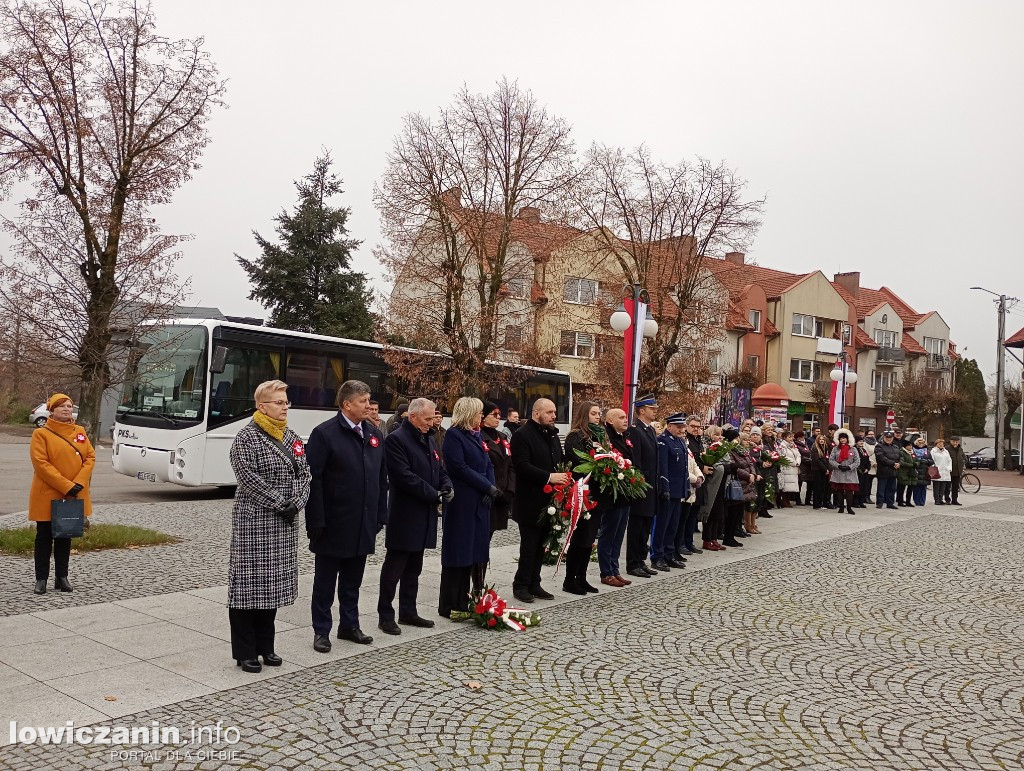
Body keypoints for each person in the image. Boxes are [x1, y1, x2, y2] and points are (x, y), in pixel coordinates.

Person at [227, 381, 311, 672]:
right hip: (256, 522)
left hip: (285, 522)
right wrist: (280, 502)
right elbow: (247, 478)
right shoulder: (246, 437)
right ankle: (244, 651)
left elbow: (305, 473)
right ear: (262, 406)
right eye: (278, 402)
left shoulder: (292, 437)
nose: (284, 407)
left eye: (286, 402)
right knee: (248, 587)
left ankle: (266, 647)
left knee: (271, 586)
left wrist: (297, 502)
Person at [306, 380, 388, 652]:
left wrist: (380, 514)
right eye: (363, 401)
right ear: (346, 404)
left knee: (353, 581)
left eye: (369, 400)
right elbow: (313, 480)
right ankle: (321, 630)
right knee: (325, 583)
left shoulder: (373, 434)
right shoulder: (325, 433)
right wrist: (316, 521)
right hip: (333, 523)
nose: (369, 405)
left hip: (362, 521)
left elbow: (381, 479)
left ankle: (349, 625)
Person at [378, 398, 451, 635]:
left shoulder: (429, 438)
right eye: (428, 419)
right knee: (395, 567)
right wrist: (434, 495)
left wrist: (447, 486)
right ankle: (385, 614)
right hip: (405, 513)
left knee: (414, 567)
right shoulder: (396, 440)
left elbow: (440, 469)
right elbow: (403, 476)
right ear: (413, 417)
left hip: (424, 513)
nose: (432, 423)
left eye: (433, 418)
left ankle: (408, 611)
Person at [28, 393, 96, 595]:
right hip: (48, 492)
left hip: (73, 492)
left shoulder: (80, 431)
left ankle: (62, 577)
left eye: (69, 406)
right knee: (44, 537)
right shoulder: (41, 434)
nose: (67, 409)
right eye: (62, 406)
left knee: (65, 536)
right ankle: (41, 579)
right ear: (52, 410)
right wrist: (66, 485)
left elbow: (90, 457)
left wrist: (79, 482)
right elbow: (41, 464)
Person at [439, 397, 498, 617]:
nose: (482, 416)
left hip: (479, 502)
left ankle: (464, 600)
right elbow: (459, 467)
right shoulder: (454, 435)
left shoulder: (476, 435)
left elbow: (488, 463)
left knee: (473, 551)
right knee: (458, 551)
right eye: (479, 412)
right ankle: (449, 603)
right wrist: (486, 486)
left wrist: (490, 487)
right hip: (462, 502)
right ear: (467, 413)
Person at [510, 398, 567, 604]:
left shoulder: (551, 435)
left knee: (542, 545)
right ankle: (521, 585)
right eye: (550, 412)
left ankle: (535, 582)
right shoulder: (522, 435)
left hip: (549, 500)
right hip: (529, 501)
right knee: (529, 545)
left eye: (554, 412)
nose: (554, 416)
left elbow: (557, 460)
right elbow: (522, 465)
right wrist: (549, 477)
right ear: (536, 413)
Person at [562, 401, 609, 594]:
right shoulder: (576, 436)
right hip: (583, 491)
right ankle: (569, 579)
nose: (598, 416)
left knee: (589, 539)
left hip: (598, 492)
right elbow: (577, 461)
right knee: (580, 537)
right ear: (584, 415)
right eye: (593, 413)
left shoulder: (599, 436)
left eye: (599, 413)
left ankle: (582, 577)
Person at [649, 413, 692, 571]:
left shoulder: (680, 441)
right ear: (669, 426)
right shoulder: (663, 441)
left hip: (678, 489)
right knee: (662, 524)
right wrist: (664, 487)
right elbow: (663, 467)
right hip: (668, 490)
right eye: (679, 427)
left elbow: (684, 467)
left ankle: (669, 553)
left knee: (673, 525)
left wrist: (686, 486)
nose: (682, 430)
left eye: (683, 427)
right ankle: (657, 556)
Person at [597, 408, 634, 586]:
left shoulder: (623, 437)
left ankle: (614, 568)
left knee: (619, 535)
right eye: (621, 417)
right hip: (612, 494)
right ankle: (606, 572)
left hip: (625, 493)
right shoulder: (607, 438)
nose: (625, 420)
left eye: (626, 417)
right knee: (609, 533)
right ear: (610, 420)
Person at [626, 395, 660, 578]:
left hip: (651, 487)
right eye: (651, 408)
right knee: (637, 527)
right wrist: (640, 483)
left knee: (646, 526)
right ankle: (632, 563)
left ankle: (641, 560)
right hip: (641, 486)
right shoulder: (635, 431)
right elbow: (636, 461)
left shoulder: (650, 431)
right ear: (641, 410)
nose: (655, 410)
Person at [481, 401, 515, 557]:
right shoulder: (479, 436)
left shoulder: (502, 437)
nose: (498, 418)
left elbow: (511, 465)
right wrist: (495, 490)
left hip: (504, 493)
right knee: (482, 539)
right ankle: (477, 578)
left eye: (499, 415)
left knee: (490, 534)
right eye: (494, 414)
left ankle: (481, 577)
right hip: (489, 493)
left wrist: (510, 490)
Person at [675, 415, 706, 557]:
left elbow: (695, 462)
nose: (695, 429)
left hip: (696, 483)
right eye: (693, 426)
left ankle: (688, 542)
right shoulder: (683, 441)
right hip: (686, 483)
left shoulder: (696, 441)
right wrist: (697, 475)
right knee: (683, 518)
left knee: (691, 516)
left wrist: (700, 475)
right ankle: (680, 544)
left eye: (698, 427)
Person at [699, 424, 728, 552]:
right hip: (711, 483)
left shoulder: (721, 447)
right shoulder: (706, 446)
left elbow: (727, 461)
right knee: (710, 512)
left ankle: (714, 538)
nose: (719, 437)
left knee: (718, 513)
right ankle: (707, 538)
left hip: (721, 483)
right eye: (716, 434)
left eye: (720, 434)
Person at [828, 429, 860, 514]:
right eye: (841, 438)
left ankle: (849, 507)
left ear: (848, 439)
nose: (843, 440)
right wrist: (838, 466)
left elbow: (857, 461)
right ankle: (841, 507)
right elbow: (831, 460)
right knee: (839, 490)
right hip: (838, 473)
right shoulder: (835, 449)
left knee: (849, 491)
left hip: (850, 473)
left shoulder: (853, 449)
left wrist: (849, 467)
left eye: (844, 438)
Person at [874, 430, 901, 509]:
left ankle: (890, 503)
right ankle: (879, 503)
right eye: (887, 437)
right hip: (883, 470)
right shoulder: (879, 446)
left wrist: (899, 463)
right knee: (881, 488)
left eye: (890, 437)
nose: (889, 439)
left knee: (892, 488)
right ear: (884, 437)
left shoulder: (895, 447)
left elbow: (900, 456)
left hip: (893, 471)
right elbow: (881, 458)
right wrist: (893, 463)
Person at [777, 430, 801, 507]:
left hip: (793, 468)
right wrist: (794, 462)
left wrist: (798, 462)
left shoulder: (793, 445)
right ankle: (784, 500)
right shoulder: (782, 446)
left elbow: (798, 455)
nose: (791, 438)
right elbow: (783, 457)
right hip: (786, 468)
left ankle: (788, 500)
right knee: (785, 485)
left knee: (791, 486)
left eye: (792, 437)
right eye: (789, 437)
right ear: (784, 438)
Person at [809, 433, 832, 510]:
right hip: (817, 470)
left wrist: (828, 469)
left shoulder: (825, 448)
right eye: (820, 439)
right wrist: (825, 469)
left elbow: (827, 459)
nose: (822, 441)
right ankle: (817, 505)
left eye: (823, 439)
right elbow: (817, 460)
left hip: (824, 470)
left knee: (823, 487)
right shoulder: (815, 448)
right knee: (817, 488)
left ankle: (821, 503)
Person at [911, 437, 934, 506]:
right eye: (919, 442)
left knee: (923, 488)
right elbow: (911, 460)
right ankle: (917, 501)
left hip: (925, 472)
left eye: (922, 443)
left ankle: (922, 501)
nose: (921, 444)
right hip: (917, 470)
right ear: (916, 443)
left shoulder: (927, 451)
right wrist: (917, 461)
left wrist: (927, 461)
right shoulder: (913, 451)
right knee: (916, 487)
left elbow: (932, 461)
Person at [896, 438, 918, 507]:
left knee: (910, 488)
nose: (910, 447)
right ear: (905, 446)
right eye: (909, 446)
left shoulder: (913, 452)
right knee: (901, 487)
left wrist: (916, 463)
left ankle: (908, 501)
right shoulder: (902, 452)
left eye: (911, 445)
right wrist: (912, 465)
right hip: (903, 472)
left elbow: (917, 460)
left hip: (911, 473)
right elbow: (902, 463)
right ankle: (900, 501)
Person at [931, 438, 952, 505]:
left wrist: (949, 468)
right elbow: (932, 461)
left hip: (945, 471)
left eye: (942, 444)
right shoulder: (933, 451)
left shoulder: (946, 451)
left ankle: (941, 499)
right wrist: (934, 468)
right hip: (937, 470)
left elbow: (949, 460)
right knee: (937, 487)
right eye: (939, 443)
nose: (941, 445)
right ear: (936, 444)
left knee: (943, 486)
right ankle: (937, 499)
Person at [794, 430, 812, 505]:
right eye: (802, 437)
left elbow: (808, 453)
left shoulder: (805, 444)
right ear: (798, 438)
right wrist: (810, 461)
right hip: (802, 467)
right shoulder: (797, 445)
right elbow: (801, 456)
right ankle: (798, 500)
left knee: (810, 484)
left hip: (808, 467)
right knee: (799, 484)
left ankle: (807, 500)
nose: (803, 438)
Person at [947, 436, 967, 505]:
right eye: (954, 441)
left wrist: (963, 462)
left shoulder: (960, 449)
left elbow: (964, 458)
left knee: (955, 487)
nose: (955, 443)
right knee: (948, 486)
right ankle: (947, 499)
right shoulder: (947, 449)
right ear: (951, 441)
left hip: (958, 471)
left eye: (957, 442)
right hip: (949, 471)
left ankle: (954, 500)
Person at [854, 437, 872, 507]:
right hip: (859, 471)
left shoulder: (864, 450)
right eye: (860, 441)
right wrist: (862, 469)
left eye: (862, 441)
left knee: (864, 486)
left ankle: (861, 501)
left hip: (865, 472)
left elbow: (868, 460)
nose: (861, 443)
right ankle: (855, 502)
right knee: (858, 487)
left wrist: (868, 468)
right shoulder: (855, 450)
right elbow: (856, 461)